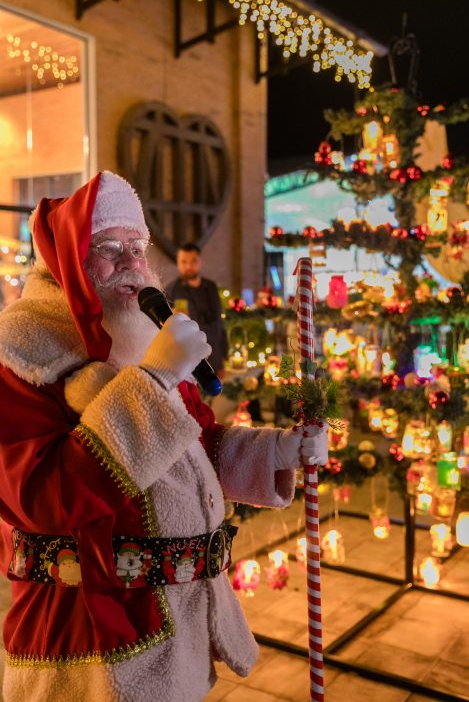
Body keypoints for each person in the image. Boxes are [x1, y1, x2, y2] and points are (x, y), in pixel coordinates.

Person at [0, 171, 328, 702]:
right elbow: (43, 495)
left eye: (138, 245)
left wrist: (281, 450)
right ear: (68, 263)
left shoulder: (141, 333)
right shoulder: (22, 355)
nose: (131, 262)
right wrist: (153, 382)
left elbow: (199, 446)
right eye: (108, 248)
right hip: (88, 641)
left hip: (179, 624)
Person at [165, 243, 228, 376]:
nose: (188, 266)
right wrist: (174, 318)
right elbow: (164, 329)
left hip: (214, 357)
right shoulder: (171, 290)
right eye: (184, 262)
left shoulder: (211, 287)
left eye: (193, 261)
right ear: (178, 263)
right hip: (187, 361)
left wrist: (223, 358)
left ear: (200, 261)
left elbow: (219, 324)